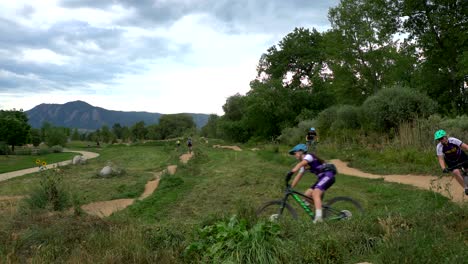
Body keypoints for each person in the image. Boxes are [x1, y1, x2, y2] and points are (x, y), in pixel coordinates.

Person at [286, 143, 337, 223]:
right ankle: (320, 210)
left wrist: (291, 172)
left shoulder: (308, 156)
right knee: (306, 195)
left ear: (300, 152)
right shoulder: (304, 164)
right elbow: (298, 176)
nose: (294, 155)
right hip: (322, 178)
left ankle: (319, 218)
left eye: (294, 153)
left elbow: (300, 164)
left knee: (315, 193)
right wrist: (290, 187)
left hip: (328, 175)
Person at [434, 129, 468, 195]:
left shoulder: (453, 140)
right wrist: (443, 168)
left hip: (461, 156)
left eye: (441, 138)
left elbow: (466, 146)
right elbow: (440, 159)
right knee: (455, 172)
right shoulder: (439, 147)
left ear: (445, 136)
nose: (441, 140)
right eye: (439, 139)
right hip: (451, 161)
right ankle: (465, 188)